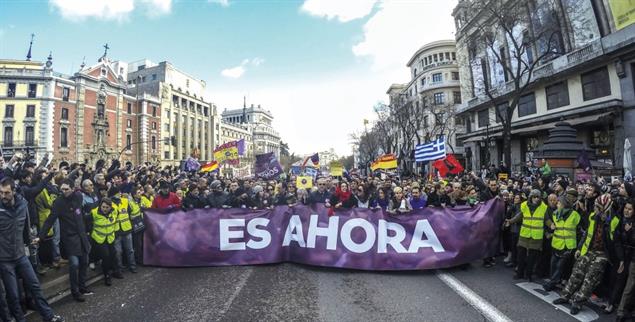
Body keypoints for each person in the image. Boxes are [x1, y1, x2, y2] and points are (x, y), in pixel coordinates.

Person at [0, 177, 64, 322]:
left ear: (13, 191)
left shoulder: (23, 204)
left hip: (21, 255)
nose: (3, 196)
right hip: (4, 260)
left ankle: (49, 316)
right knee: (13, 295)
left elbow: (26, 229)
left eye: (6, 193)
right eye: (1, 193)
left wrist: (31, 243)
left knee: (35, 286)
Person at [553, 194, 622, 315]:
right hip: (588, 250)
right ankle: (565, 296)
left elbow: (615, 241)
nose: (594, 208)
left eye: (597, 206)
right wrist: (580, 248)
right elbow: (586, 234)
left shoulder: (614, 221)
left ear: (604, 208)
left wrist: (620, 259)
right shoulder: (592, 216)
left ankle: (577, 303)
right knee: (576, 273)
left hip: (602, 254)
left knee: (590, 279)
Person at [39, 179, 92, 302]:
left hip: (82, 235)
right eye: (62, 189)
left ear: (73, 188)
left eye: (66, 189)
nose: (63, 191)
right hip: (69, 238)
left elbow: (81, 213)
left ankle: (83, 287)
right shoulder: (58, 202)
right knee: (74, 264)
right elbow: (50, 219)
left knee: (84, 261)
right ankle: (75, 292)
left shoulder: (78, 196)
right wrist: (41, 236)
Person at [543, 189, 581, 292]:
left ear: (564, 204)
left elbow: (579, 229)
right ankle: (553, 280)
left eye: (559, 202)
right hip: (556, 243)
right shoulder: (555, 214)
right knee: (553, 264)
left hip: (568, 245)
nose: (557, 204)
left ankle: (552, 283)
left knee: (560, 266)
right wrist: (551, 228)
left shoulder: (575, 215)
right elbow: (551, 224)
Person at [506, 189, 547, 281]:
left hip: (536, 236)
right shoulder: (524, 205)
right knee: (521, 255)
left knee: (532, 258)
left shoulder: (544, 207)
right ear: (530, 197)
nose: (536, 199)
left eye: (537, 197)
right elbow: (519, 216)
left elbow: (547, 219)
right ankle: (520, 273)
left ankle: (528, 275)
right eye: (534, 197)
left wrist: (552, 225)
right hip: (524, 234)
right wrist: (510, 221)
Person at [88, 198, 119, 286]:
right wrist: (89, 233)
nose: (104, 209)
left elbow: (116, 220)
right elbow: (87, 223)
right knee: (106, 256)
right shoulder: (94, 213)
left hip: (110, 237)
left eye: (107, 207)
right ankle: (107, 276)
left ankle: (115, 271)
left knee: (113, 254)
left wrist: (115, 232)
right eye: (103, 207)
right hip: (99, 238)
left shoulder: (114, 211)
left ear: (110, 207)